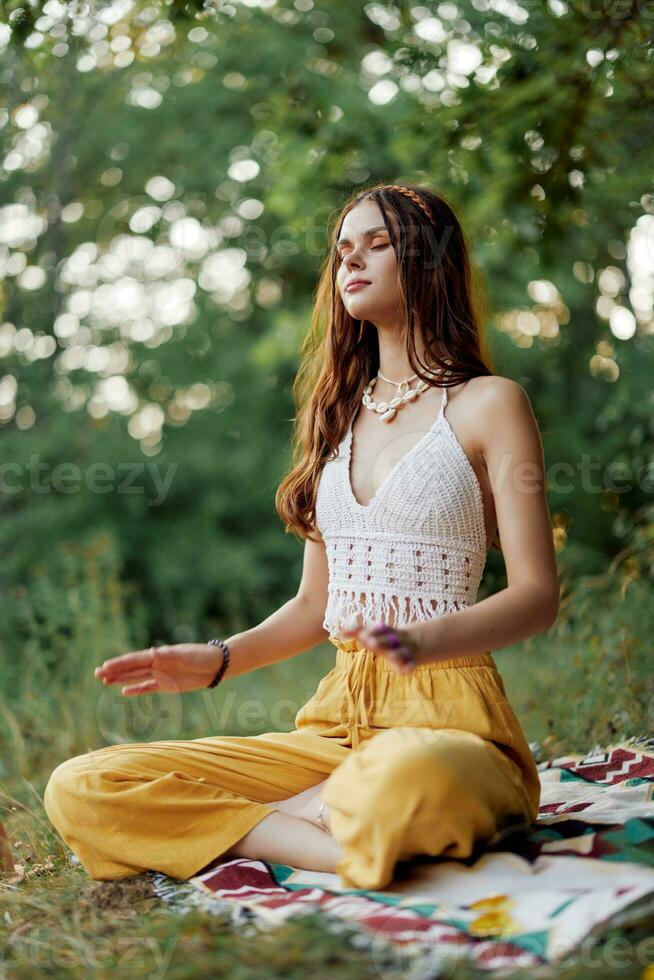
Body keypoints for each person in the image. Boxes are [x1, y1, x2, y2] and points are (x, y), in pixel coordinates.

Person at [43, 183, 559, 891]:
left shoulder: (488, 404)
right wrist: (218, 660)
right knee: (83, 783)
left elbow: (535, 597)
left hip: (450, 720)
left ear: (432, 261)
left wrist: (423, 640)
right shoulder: (336, 422)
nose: (353, 260)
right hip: (332, 727)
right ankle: (332, 843)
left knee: (401, 783)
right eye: (344, 248)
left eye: (378, 244)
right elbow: (315, 606)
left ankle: (306, 826)